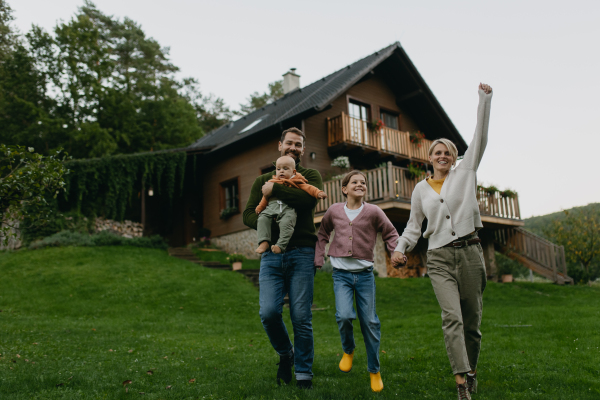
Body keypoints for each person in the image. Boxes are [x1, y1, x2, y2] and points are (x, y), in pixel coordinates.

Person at [393, 83, 493, 400]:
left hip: (470, 254)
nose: (442, 156)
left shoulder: (465, 173)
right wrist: (399, 248)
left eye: (447, 151)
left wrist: (484, 99)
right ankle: (461, 383)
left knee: (472, 323)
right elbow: (413, 226)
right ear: (430, 158)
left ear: (454, 157)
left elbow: (481, 137)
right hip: (438, 258)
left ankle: (472, 370)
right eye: (437, 152)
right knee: (452, 318)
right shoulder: (421, 190)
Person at [242, 127, 323, 389]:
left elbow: (307, 202)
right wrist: (270, 225)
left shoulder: (310, 176)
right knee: (268, 313)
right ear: (280, 145)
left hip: (302, 252)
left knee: (301, 316)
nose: (294, 148)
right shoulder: (261, 180)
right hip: (271, 256)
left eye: (298, 145)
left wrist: (273, 191)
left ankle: (304, 375)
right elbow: (248, 215)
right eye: (289, 143)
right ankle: (286, 353)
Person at [314, 170, 404, 393]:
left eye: (363, 182)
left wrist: (396, 252)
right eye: (354, 182)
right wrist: (318, 257)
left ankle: (374, 370)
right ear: (345, 189)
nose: (360, 184)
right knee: (344, 316)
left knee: (370, 323)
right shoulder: (334, 210)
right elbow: (323, 233)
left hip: (364, 276)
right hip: (341, 276)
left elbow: (391, 233)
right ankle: (348, 349)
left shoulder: (373, 211)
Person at [255, 155, 327, 254]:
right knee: (262, 218)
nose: (281, 171)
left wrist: (318, 193)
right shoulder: (272, 183)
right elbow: (265, 197)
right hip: (272, 207)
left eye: (285, 169)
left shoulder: (297, 182)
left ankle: (280, 245)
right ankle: (264, 241)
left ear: (293, 172)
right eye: (278, 169)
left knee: (287, 224)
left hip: (287, 209)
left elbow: (309, 188)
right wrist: (260, 207)